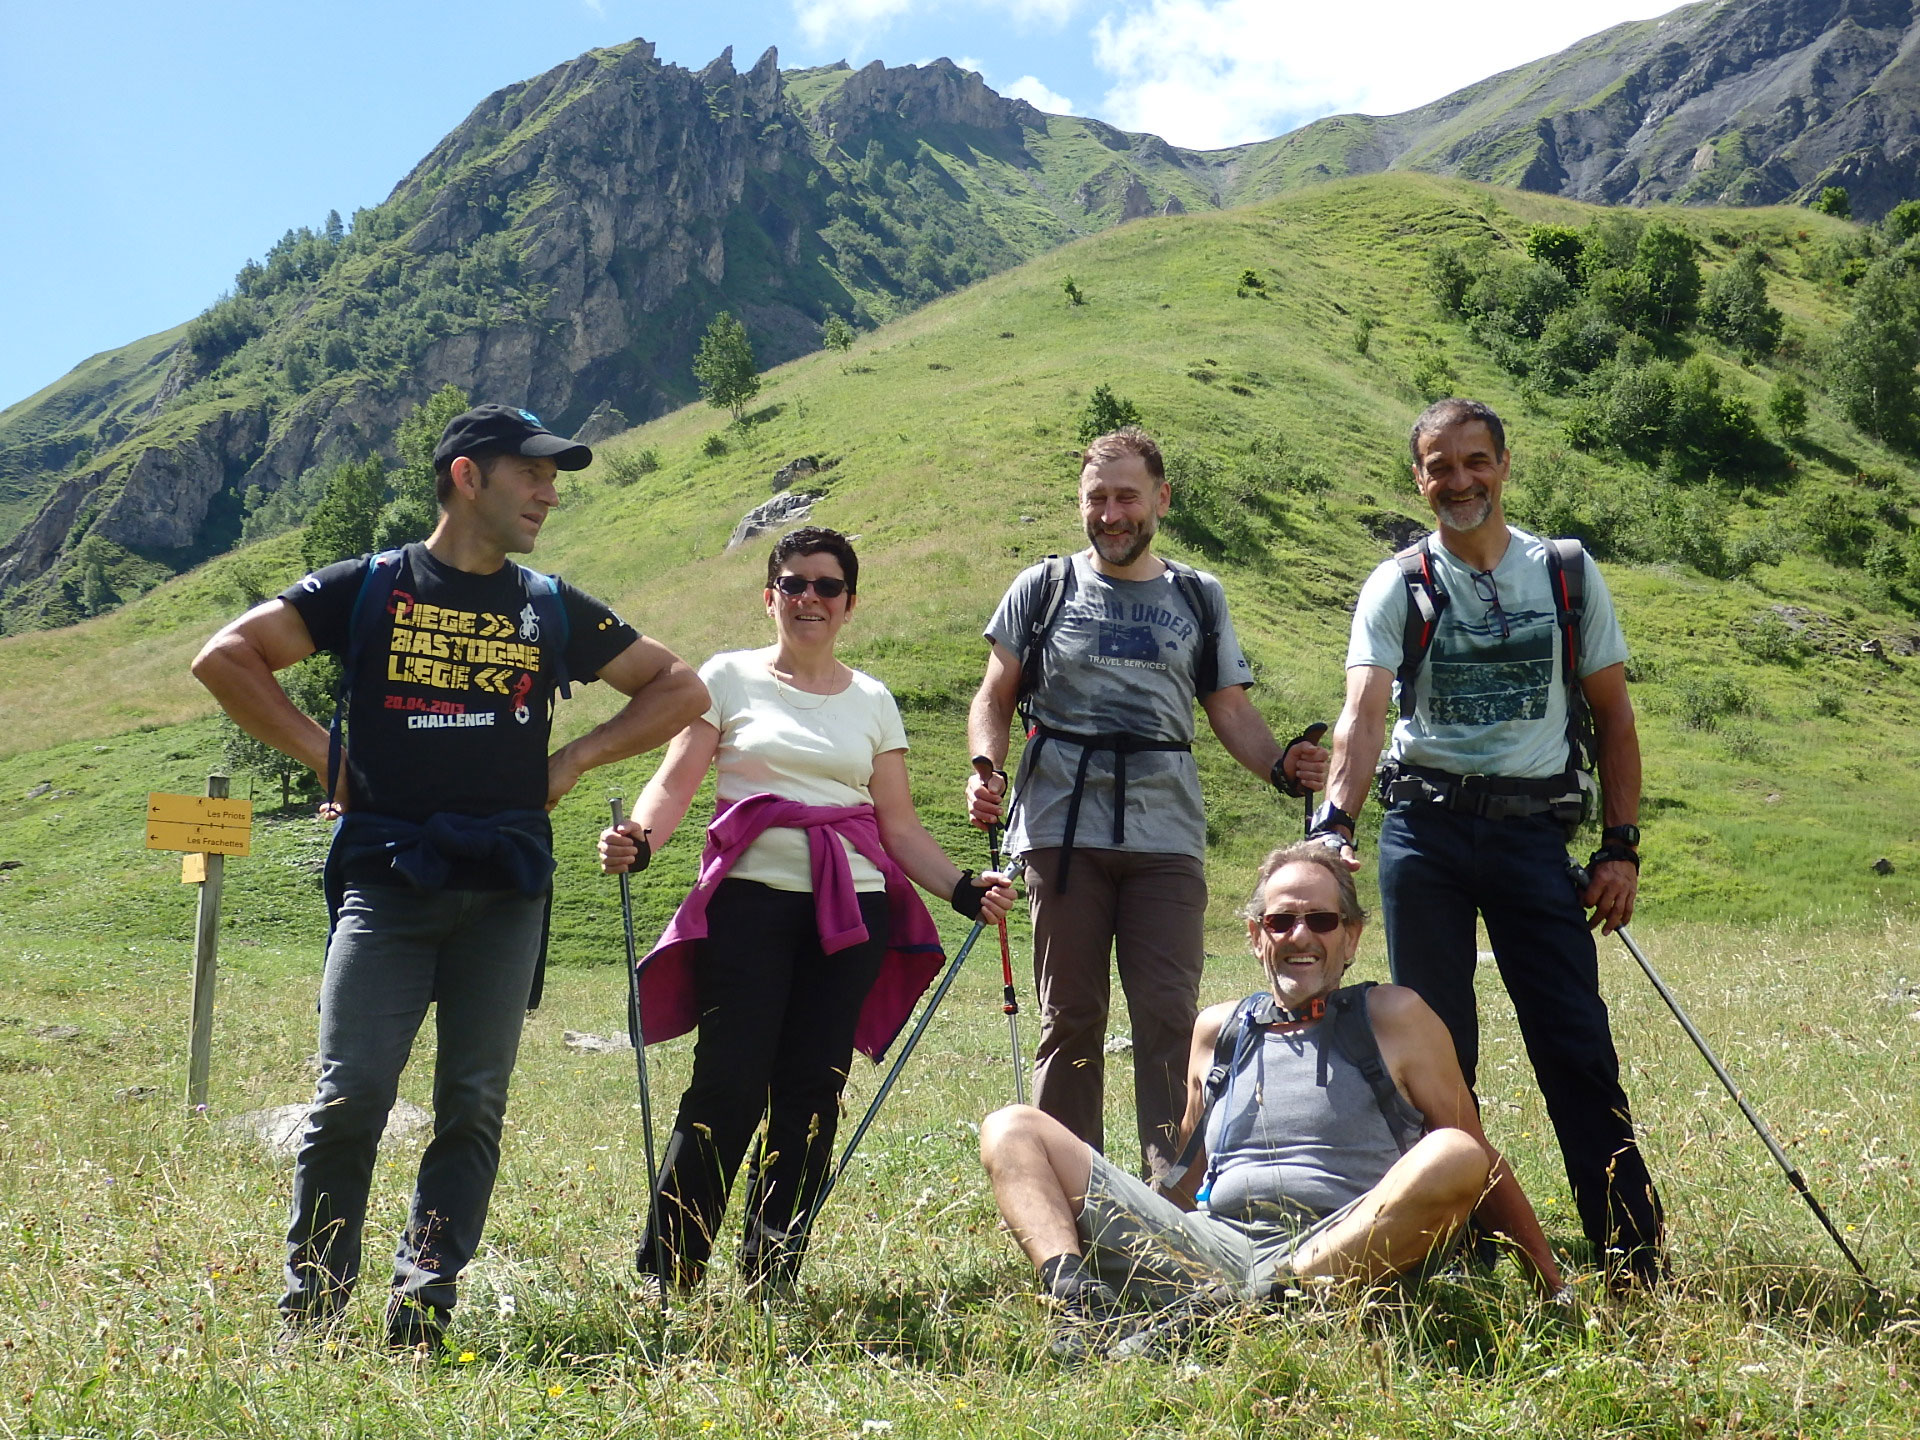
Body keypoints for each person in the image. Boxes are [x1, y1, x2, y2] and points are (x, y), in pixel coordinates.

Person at [191, 403, 707, 1348]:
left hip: (507, 888)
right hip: (387, 882)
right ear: (468, 477)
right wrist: (326, 758)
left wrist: (574, 759)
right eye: (531, 473)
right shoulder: (370, 586)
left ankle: (423, 1302)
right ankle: (314, 1308)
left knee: (473, 1104)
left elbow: (681, 688)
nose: (548, 494)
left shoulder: (549, 603)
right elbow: (226, 657)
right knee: (351, 1094)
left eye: (552, 478)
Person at [599, 526, 1016, 1293]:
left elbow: (898, 828)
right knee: (727, 1084)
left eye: (827, 586)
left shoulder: (874, 700)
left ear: (850, 604)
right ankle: (672, 1270)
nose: (810, 598)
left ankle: (772, 1272)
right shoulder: (726, 678)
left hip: (850, 915)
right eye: (794, 584)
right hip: (747, 907)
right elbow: (675, 784)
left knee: (812, 1091)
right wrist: (640, 839)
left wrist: (962, 888)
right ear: (770, 597)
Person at [1313, 397, 1663, 1284]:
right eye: (1441, 467)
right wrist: (1333, 826)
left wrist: (1620, 848)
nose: (1460, 481)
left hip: (1532, 835)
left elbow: (1615, 717)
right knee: (1436, 1056)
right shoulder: (1397, 584)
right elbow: (1361, 714)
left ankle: (1631, 1254)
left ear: (1504, 466)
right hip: (1424, 833)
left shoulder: (1566, 573)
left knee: (1575, 1043)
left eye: (1476, 461)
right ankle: (1453, 1252)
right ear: (1420, 479)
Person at [980, 842, 1566, 1358]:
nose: (1300, 936)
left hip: (1343, 1254)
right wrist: (1129, 1227)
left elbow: (1481, 1166)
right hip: (1214, 1250)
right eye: (1280, 921)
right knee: (1013, 1129)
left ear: (1351, 936)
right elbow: (1186, 1178)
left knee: (1456, 1153)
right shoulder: (1219, 1030)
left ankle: (1256, 1306)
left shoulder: (1394, 1017)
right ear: (1256, 936)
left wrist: (1551, 1288)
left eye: (1321, 920)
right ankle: (1080, 1307)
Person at [966, 426, 1328, 1179]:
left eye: (1127, 496)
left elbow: (1229, 707)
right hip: (1061, 830)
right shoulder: (1044, 586)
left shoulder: (1197, 595)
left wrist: (1280, 768)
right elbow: (995, 695)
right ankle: (1074, 1193)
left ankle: (1174, 1197)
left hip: (1165, 833)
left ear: (1160, 499)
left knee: (1169, 1015)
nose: (1111, 513)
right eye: (1096, 498)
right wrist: (985, 769)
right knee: (1070, 1018)